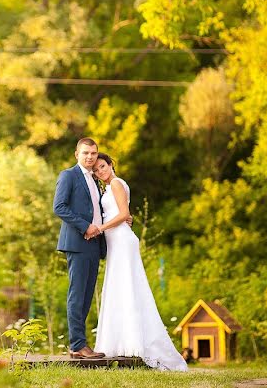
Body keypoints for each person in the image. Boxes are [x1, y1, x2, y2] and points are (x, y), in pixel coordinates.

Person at [92, 152, 187, 371]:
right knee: (120, 289)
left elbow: (123, 212)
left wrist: (100, 228)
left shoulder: (115, 183)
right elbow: (124, 214)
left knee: (127, 288)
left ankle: (134, 344)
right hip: (117, 241)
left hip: (122, 242)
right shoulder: (111, 186)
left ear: (110, 164)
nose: (100, 172)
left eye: (103, 166)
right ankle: (121, 343)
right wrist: (121, 221)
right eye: (96, 170)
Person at [52, 137, 107, 359]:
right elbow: (59, 207)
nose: (90, 157)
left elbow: (97, 209)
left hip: (94, 244)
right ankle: (77, 345)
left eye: (93, 153)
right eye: (85, 153)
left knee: (85, 296)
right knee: (77, 294)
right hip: (77, 243)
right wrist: (85, 226)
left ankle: (79, 345)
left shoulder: (95, 179)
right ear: (77, 154)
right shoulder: (69, 175)